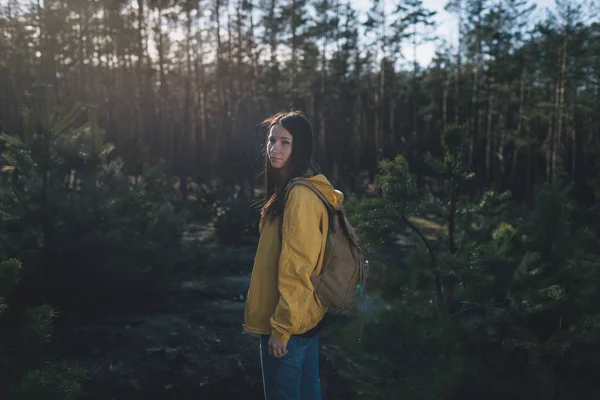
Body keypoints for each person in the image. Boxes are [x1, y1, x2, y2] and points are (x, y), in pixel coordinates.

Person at [243, 110, 344, 400]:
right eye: (272, 140)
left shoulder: (299, 195)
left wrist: (281, 330)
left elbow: (297, 266)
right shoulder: (296, 187)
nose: (274, 148)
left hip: (288, 323)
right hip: (305, 317)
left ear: (300, 147)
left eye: (285, 142)